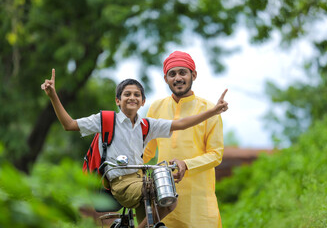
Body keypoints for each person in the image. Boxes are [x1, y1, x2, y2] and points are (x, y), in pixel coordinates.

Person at [41, 68, 228, 228]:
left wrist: (212, 111)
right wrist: (53, 96)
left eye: (136, 95)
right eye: (127, 94)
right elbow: (69, 124)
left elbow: (182, 123)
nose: (132, 97)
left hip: (140, 180)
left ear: (143, 102)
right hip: (120, 182)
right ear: (117, 100)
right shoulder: (106, 120)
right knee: (155, 190)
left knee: (170, 200)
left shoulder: (147, 125)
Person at [143, 51, 225, 228]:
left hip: (198, 203)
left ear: (193, 75)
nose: (178, 78)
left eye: (183, 72)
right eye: (172, 74)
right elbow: (147, 151)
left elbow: (216, 155)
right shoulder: (156, 108)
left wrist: (186, 164)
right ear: (166, 78)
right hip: (164, 197)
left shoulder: (209, 110)